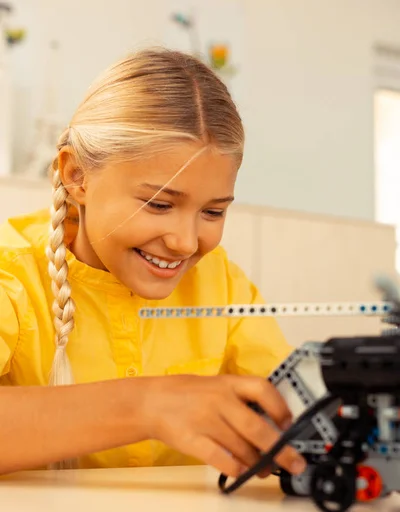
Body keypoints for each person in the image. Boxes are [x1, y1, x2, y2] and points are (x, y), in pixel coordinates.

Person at [0, 47, 307, 479]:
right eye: (159, 204)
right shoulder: (11, 275)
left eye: (214, 212)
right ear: (76, 176)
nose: (184, 243)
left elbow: (294, 410)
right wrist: (147, 404)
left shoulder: (223, 286)